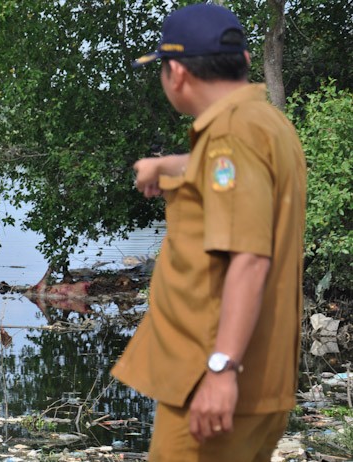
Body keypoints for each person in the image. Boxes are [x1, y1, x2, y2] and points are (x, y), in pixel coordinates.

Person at [110, 3, 306, 461]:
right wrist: (167, 165)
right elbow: (234, 178)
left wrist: (221, 369)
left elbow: (249, 257)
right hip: (263, 382)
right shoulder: (265, 124)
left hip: (211, 384)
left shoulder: (230, 136)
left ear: (176, 73)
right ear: (243, 62)